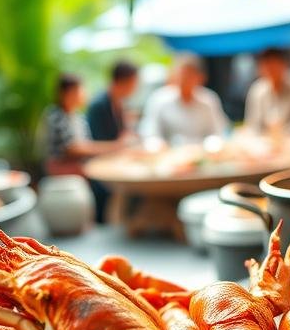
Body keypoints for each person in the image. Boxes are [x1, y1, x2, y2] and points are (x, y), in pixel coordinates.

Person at [38, 73, 120, 221]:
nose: (83, 94)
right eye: (79, 90)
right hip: (61, 166)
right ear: (66, 93)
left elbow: (87, 146)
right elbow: (72, 149)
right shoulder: (55, 115)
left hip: (79, 165)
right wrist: (112, 147)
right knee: (102, 186)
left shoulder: (79, 117)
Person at [137, 53, 229, 144]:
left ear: (201, 77)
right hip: (169, 151)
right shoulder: (159, 99)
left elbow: (219, 131)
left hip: (201, 150)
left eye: (189, 76)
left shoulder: (208, 99)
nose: (184, 80)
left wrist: (212, 144)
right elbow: (150, 132)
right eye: (181, 75)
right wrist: (158, 144)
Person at [244, 48, 290, 135]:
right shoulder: (257, 91)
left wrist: (282, 134)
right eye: (267, 66)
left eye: (274, 65)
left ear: (284, 65)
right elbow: (252, 124)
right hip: (262, 140)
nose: (271, 70)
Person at [86, 60, 139, 141]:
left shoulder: (119, 101)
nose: (136, 87)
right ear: (123, 82)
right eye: (134, 82)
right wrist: (121, 143)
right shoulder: (99, 105)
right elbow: (98, 142)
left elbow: (121, 134)